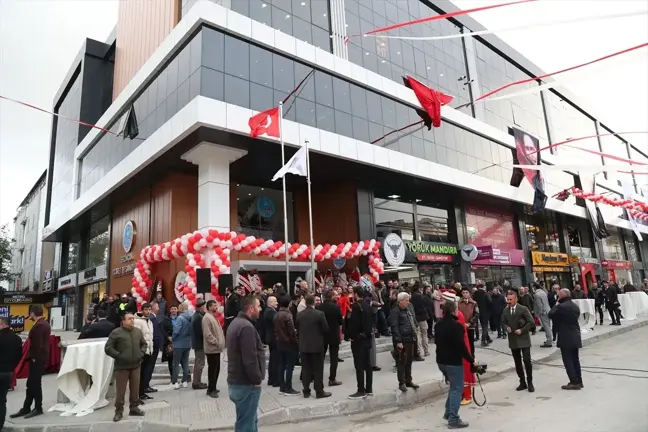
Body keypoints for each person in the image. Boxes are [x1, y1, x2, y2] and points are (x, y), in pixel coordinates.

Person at [227, 295, 266, 432]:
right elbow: (249, 359)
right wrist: (256, 379)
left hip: (238, 382)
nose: (260, 309)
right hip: (245, 384)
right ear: (251, 308)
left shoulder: (237, 323)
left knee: (248, 421)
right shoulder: (246, 327)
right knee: (247, 425)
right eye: (258, 306)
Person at [435, 299, 476, 429]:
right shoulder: (457, 326)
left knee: (454, 387)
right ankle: (453, 419)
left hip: (441, 361)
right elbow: (461, 346)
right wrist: (471, 360)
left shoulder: (438, 325)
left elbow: (437, 342)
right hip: (453, 362)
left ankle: (448, 413)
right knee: (457, 389)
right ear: (454, 311)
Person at [104, 313, 147, 422]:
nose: (132, 320)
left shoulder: (137, 331)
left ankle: (134, 408)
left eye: (133, 318)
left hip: (136, 366)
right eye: (129, 319)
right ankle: (118, 411)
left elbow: (144, 344)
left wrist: (141, 353)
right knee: (121, 391)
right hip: (122, 367)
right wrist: (119, 356)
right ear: (123, 321)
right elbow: (108, 348)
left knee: (135, 389)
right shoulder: (116, 332)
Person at [10, 305, 50, 420]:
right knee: (31, 383)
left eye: (30, 314)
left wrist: (33, 357)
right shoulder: (43, 324)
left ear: (32, 313)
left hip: (37, 359)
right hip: (39, 358)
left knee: (35, 384)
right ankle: (26, 407)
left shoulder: (40, 326)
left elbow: (37, 344)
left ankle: (38, 407)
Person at [296, 295, 331, 399]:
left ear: (305, 303)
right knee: (318, 369)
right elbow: (325, 328)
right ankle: (319, 391)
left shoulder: (300, 315)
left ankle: (306, 391)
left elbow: (297, 327)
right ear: (313, 303)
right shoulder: (319, 314)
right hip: (316, 346)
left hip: (304, 345)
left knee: (306, 368)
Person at [549, 289, 583, 390]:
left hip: (565, 336)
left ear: (562, 296)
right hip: (575, 334)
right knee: (575, 359)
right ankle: (579, 380)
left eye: (558, 295)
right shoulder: (575, 306)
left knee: (568, 360)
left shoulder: (561, 306)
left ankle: (574, 381)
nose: (557, 297)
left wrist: (556, 303)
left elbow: (550, 314)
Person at [502, 290, 536, 392]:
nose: (508, 301)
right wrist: (506, 327)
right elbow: (503, 322)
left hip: (524, 339)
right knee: (517, 362)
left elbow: (531, 322)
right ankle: (522, 382)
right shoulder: (505, 311)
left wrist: (522, 330)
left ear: (516, 299)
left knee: (526, 360)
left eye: (511, 299)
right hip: (513, 340)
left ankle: (530, 382)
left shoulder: (523, 309)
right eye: (507, 299)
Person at [346, 286, 374, 399]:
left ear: (356, 294)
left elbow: (354, 325)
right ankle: (369, 388)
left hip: (359, 340)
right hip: (367, 338)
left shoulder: (357, 306)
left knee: (359, 366)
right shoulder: (368, 305)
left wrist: (350, 334)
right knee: (368, 365)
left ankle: (361, 390)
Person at [389, 292, 419, 392]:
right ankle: (401, 382)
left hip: (410, 339)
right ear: (400, 301)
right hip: (402, 341)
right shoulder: (395, 311)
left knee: (409, 361)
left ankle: (408, 380)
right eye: (406, 300)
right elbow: (394, 327)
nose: (408, 302)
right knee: (401, 362)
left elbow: (412, 321)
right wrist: (398, 341)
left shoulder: (408, 310)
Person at [317, 289, 343, 387]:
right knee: (334, 358)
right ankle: (332, 379)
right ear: (331, 296)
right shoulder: (336, 307)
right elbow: (340, 321)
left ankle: (318, 378)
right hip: (333, 334)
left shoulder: (319, 307)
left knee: (320, 358)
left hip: (322, 334)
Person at [275, 295, 300, 396]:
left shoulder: (276, 314)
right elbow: (291, 331)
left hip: (280, 342)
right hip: (289, 343)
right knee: (290, 366)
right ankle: (288, 387)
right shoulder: (288, 315)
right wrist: (295, 340)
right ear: (289, 304)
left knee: (281, 364)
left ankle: (282, 387)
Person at [1, 317, 23, 430]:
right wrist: (11, 366)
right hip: (8, 372)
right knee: (2, 399)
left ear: (1, 324)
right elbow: (19, 355)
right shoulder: (16, 338)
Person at [203, 299, 225, 398]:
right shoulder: (207, 318)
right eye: (214, 306)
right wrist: (216, 342)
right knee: (212, 370)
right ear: (210, 307)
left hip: (216, 349)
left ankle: (214, 387)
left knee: (216, 369)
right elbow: (208, 334)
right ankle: (210, 390)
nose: (216, 307)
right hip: (212, 349)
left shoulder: (213, 316)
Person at [133, 302, 155, 402]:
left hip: (148, 351)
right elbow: (136, 338)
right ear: (142, 310)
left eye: (150, 309)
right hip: (141, 351)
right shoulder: (138, 321)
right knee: (139, 374)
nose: (148, 311)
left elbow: (150, 337)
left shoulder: (149, 321)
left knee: (144, 373)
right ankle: (137, 395)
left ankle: (141, 393)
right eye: (146, 309)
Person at [171, 304, 193, 389]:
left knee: (176, 363)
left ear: (180, 309)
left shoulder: (180, 318)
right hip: (187, 343)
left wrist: (172, 338)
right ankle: (184, 381)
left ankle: (175, 382)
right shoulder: (191, 318)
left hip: (178, 344)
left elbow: (176, 331)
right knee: (185, 362)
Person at [191, 299, 208, 390]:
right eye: (204, 307)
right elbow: (200, 331)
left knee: (199, 362)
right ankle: (196, 383)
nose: (205, 308)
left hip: (199, 343)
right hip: (199, 343)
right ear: (201, 307)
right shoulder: (198, 317)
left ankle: (197, 381)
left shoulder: (198, 315)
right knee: (199, 363)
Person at [262, 296, 279, 387]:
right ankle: (275, 379)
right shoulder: (270, 312)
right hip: (273, 338)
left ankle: (272, 379)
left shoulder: (270, 311)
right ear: (270, 303)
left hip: (271, 338)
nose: (277, 303)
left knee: (273, 358)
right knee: (275, 359)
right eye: (275, 301)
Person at [410, 283, 430, 357]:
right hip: (422, 317)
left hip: (415, 317)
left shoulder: (412, 296)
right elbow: (423, 305)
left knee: (417, 335)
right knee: (424, 334)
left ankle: (418, 351)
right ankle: (426, 351)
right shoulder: (420, 296)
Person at [457, 288, 478, 355]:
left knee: (471, 342)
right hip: (461, 326)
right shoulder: (459, 303)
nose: (465, 294)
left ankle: (472, 357)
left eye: (466, 292)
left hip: (470, 326)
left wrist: (470, 323)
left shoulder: (474, 303)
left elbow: (476, 314)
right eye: (463, 293)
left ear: (469, 293)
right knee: (462, 343)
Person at [472, 281, 492, 347]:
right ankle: (483, 341)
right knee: (485, 326)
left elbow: (473, 302)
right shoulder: (485, 294)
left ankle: (488, 338)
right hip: (485, 312)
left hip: (478, 312)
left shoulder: (475, 294)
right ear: (483, 287)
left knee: (483, 325)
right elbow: (490, 302)